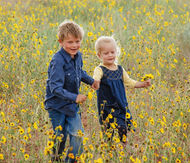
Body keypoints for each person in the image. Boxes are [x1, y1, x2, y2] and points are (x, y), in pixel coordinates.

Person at [44, 20, 99, 162]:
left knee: (78, 136)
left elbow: (79, 72)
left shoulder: (78, 56)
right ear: (60, 41)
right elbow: (55, 88)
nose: (74, 45)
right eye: (70, 42)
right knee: (59, 138)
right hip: (56, 106)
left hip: (72, 106)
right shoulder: (57, 61)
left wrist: (91, 81)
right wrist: (75, 97)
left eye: (77, 41)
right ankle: (55, 160)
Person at [93, 36, 151, 144]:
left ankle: (123, 147)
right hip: (106, 106)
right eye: (106, 53)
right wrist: (96, 82)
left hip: (120, 104)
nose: (110, 55)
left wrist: (143, 84)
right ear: (99, 55)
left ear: (116, 52)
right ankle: (109, 150)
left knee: (122, 127)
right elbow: (96, 78)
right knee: (108, 130)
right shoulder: (99, 69)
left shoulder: (120, 69)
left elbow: (129, 82)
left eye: (112, 52)